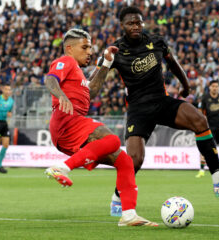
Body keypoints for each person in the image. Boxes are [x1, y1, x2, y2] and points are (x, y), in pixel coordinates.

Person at [93, 6, 219, 217]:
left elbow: (173, 64)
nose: (136, 26)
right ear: (122, 26)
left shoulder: (156, 41)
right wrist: (105, 61)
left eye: (139, 22)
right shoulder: (116, 50)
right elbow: (95, 80)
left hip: (162, 102)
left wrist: (185, 86)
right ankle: (117, 197)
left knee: (200, 121)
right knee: (135, 160)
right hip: (139, 110)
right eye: (131, 23)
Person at [43, 29, 157, 227]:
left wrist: (106, 62)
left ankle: (128, 215)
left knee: (125, 162)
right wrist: (60, 95)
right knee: (112, 140)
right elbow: (50, 79)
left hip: (72, 127)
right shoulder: (66, 61)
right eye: (84, 47)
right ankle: (61, 167)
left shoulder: (77, 72)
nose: (89, 51)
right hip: (66, 121)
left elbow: (91, 92)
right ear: (69, 48)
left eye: (90, 47)